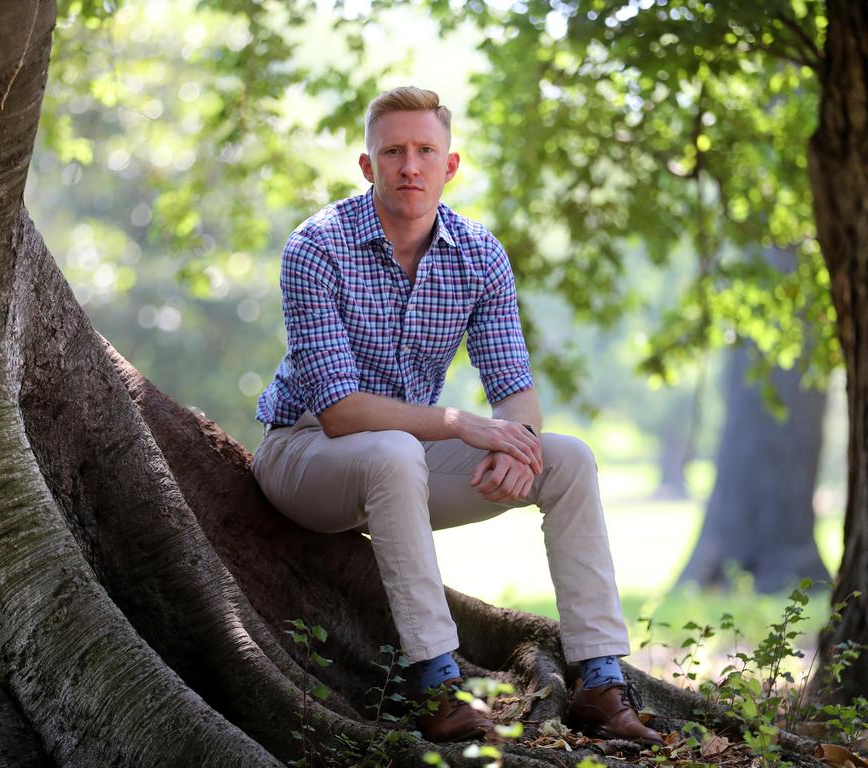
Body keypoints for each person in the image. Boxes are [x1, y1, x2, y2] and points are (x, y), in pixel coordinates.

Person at [251, 86, 662, 746]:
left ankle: (600, 679)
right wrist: (463, 425)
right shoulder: (316, 248)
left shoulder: (479, 255)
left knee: (569, 459)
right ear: (367, 166)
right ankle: (437, 687)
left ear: (451, 165)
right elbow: (338, 412)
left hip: (403, 468)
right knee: (393, 452)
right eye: (393, 151)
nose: (410, 166)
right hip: (305, 457)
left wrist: (517, 444)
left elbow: (515, 387)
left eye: (424, 151)